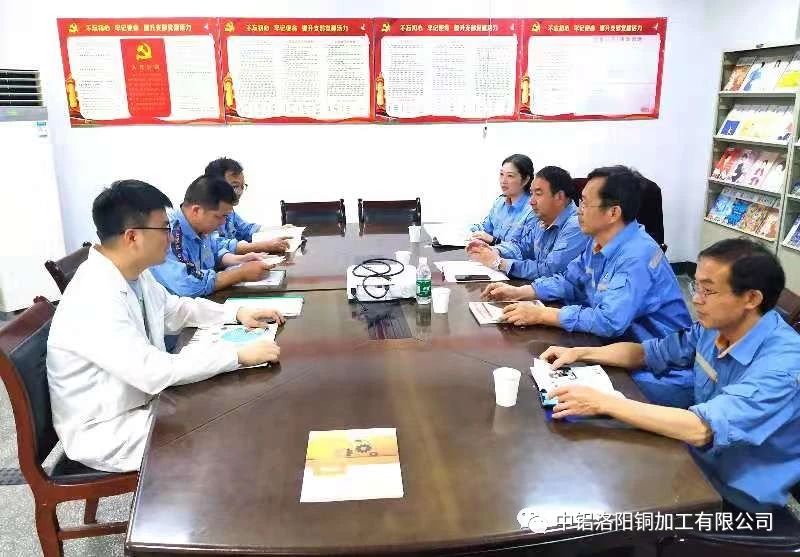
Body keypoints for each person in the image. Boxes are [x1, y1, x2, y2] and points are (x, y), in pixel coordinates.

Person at [539, 239, 800, 513]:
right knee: (591, 466)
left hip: (732, 500)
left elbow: (701, 429)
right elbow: (646, 353)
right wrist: (580, 353)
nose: (696, 299)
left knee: (599, 502)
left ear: (751, 299)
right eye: (696, 287)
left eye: (708, 291)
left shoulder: (784, 366)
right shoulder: (716, 327)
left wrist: (604, 403)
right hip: (692, 460)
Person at [47, 180, 284, 472]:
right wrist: (237, 356)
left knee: (233, 404)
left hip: (141, 401)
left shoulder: (132, 273)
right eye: (164, 229)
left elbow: (175, 310)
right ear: (132, 237)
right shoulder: (94, 295)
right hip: (110, 428)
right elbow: (151, 371)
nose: (171, 238)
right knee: (228, 428)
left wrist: (238, 313)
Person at [482, 165, 692, 407]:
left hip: (657, 370)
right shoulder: (599, 242)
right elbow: (570, 280)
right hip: (611, 349)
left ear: (613, 212)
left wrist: (543, 314)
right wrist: (522, 292)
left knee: (549, 397)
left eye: (585, 203)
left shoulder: (637, 255)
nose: (578, 210)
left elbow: (609, 321)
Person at [151, 175, 274, 297]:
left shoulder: (201, 227)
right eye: (219, 217)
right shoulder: (167, 234)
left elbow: (215, 251)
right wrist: (241, 273)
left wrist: (241, 260)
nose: (223, 223)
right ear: (196, 211)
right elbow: (186, 284)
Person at [467, 165, 588, 280]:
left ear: (559, 197)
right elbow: (522, 248)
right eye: (531, 194)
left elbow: (550, 270)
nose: (531, 201)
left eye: (538, 194)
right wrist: (494, 251)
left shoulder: (577, 225)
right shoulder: (543, 219)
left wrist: (500, 263)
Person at [205, 157, 290, 254]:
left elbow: (246, 229)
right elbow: (216, 246)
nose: (240, 192)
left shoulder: (229, 211)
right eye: (235, 186)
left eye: (242, 186)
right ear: (215, 185)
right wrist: (264, 246)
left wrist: (280, 229)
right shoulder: (205, 212)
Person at [469, 154, 536, 248]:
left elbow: (524, 249)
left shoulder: (533, 210)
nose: (503, 181)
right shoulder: (499, 202)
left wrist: (494, 240)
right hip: (489, 254)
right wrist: (473, 232)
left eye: (510, 176)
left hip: (506, 257)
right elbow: (485, 228)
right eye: (501, 174)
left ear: (525, 180)